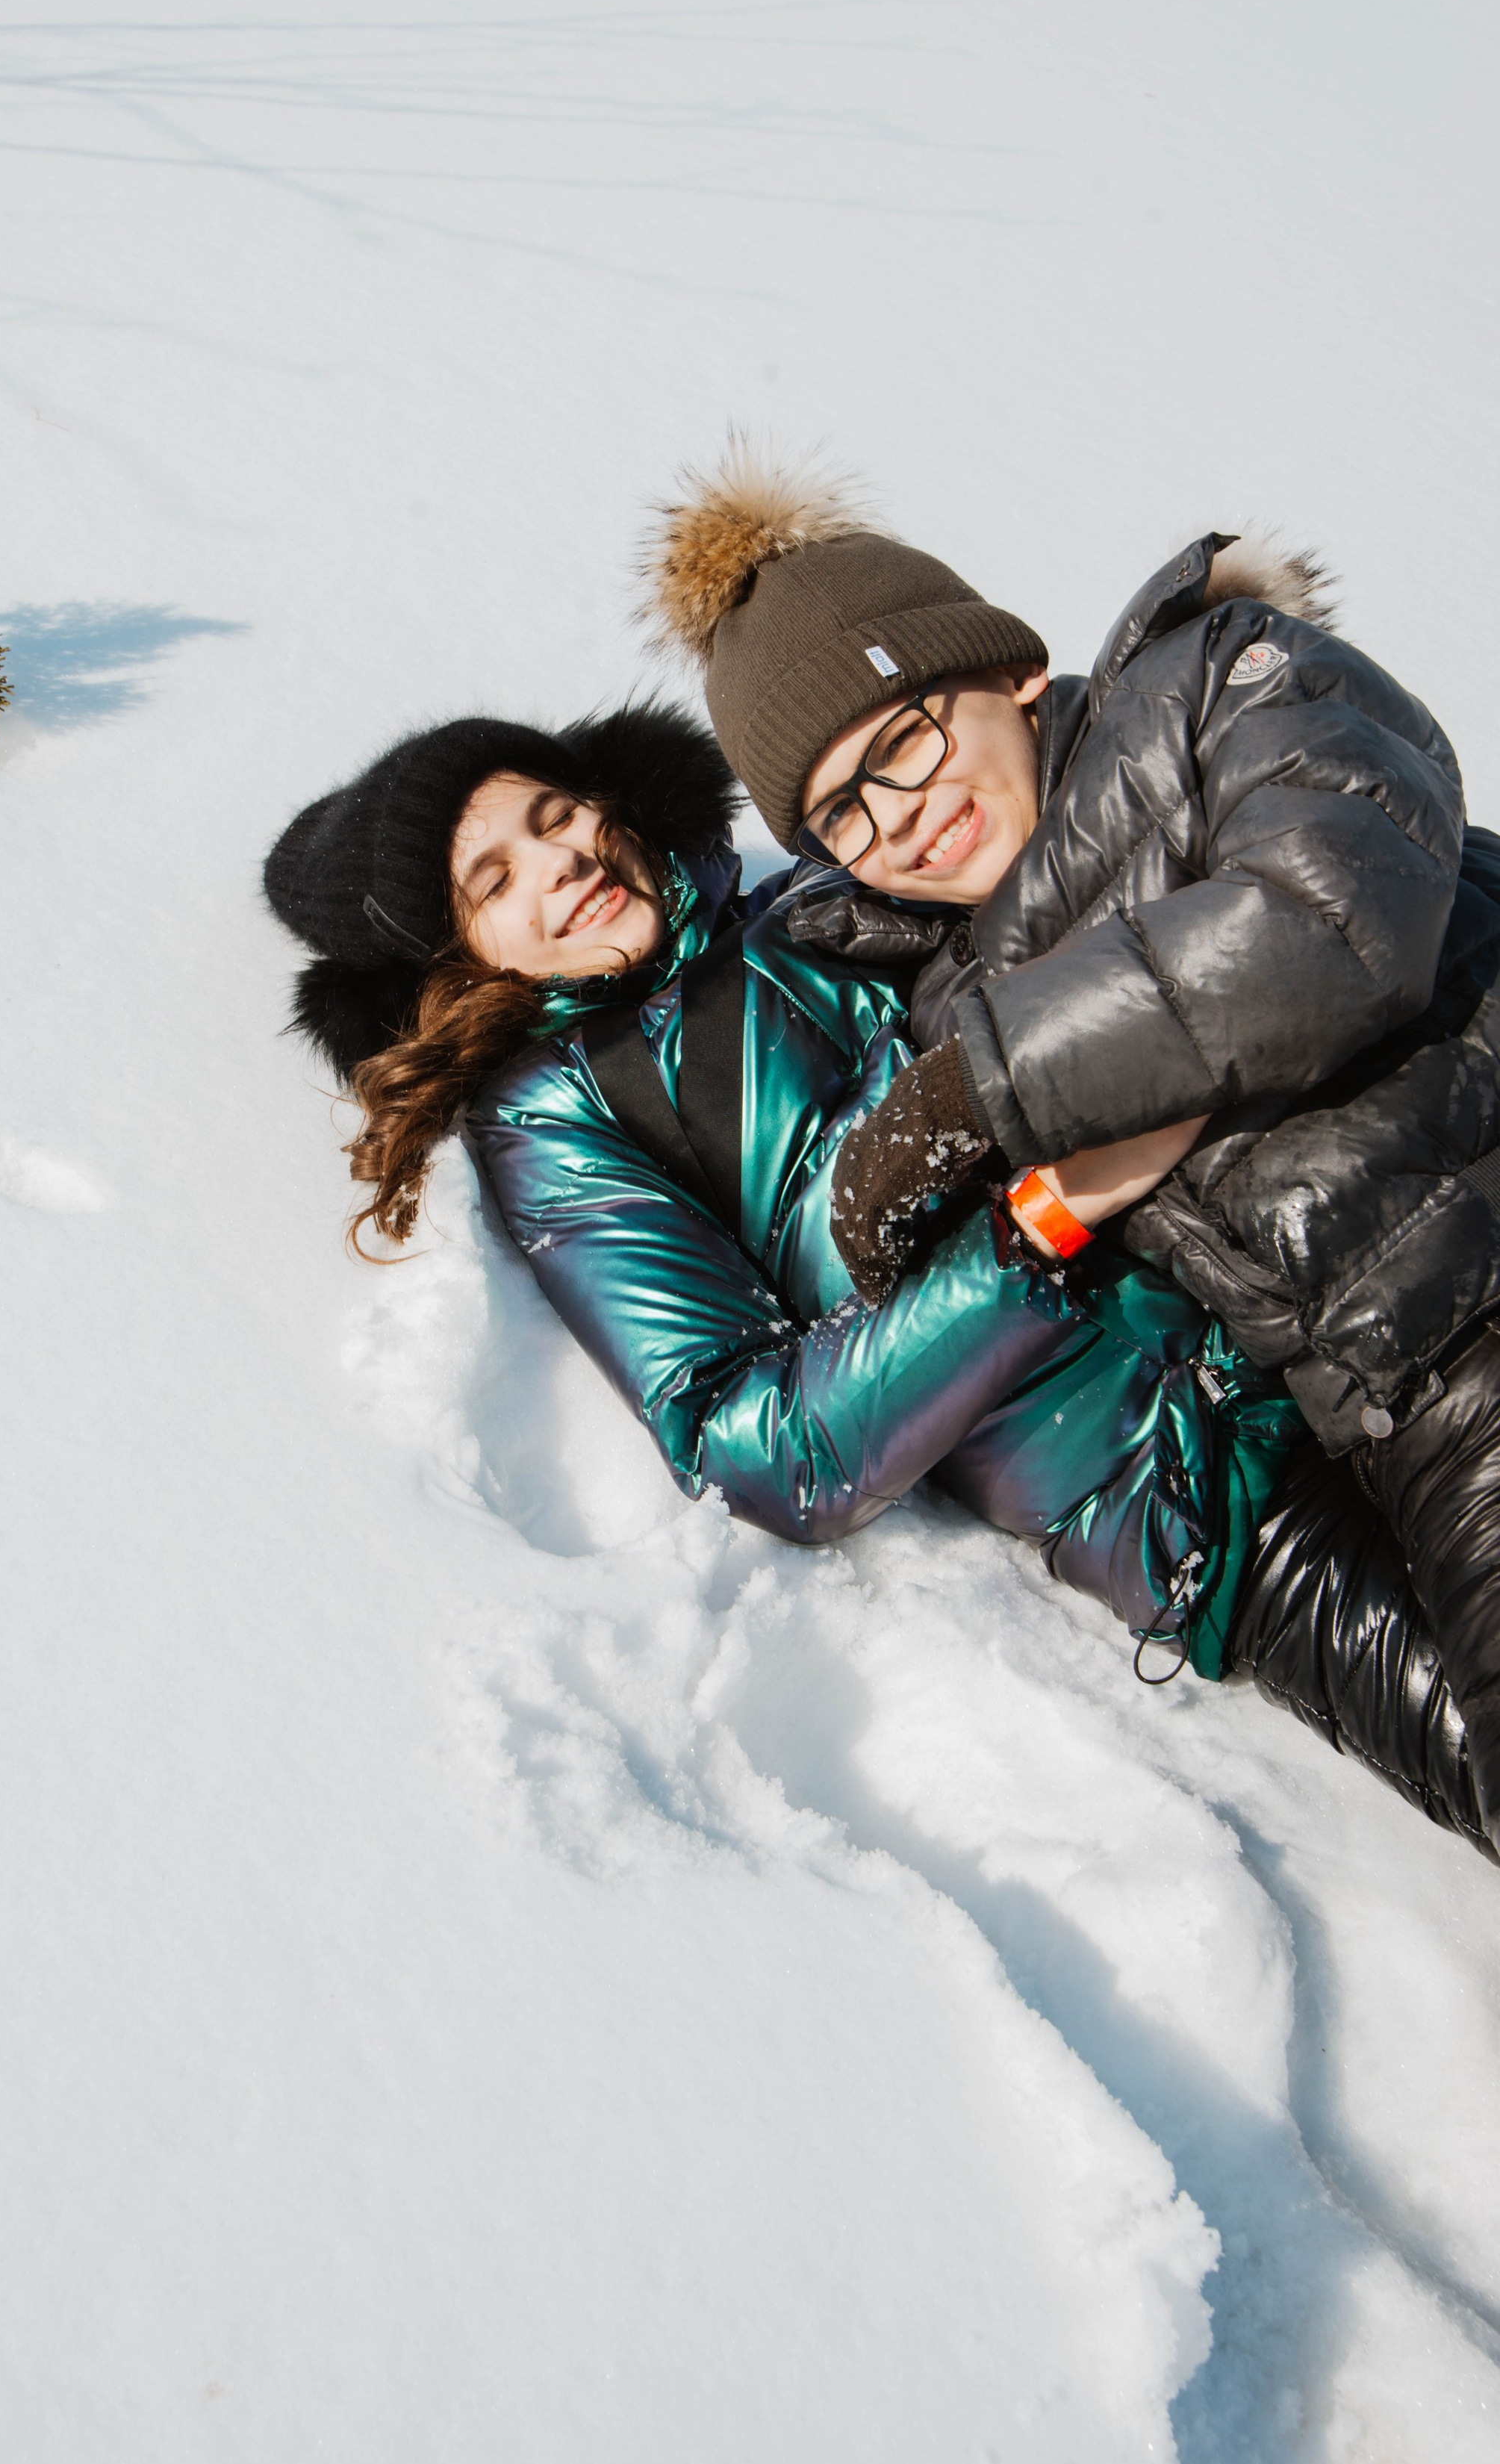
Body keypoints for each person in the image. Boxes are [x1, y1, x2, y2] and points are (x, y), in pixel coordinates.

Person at [264, 701, 1488, 1856]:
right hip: (1209, 1494)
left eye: (552, 817)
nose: (560, 863)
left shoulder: (816, 893)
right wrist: (1036, 1231)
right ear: (457, 954)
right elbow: (757, 1442)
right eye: (496, 880)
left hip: (1337, 1291)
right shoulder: (559, 1107)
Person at [642, 446, 1500, 1841]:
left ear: (1009, 673)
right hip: (1408, 1414)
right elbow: (900, 1257)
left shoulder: (1221, 682)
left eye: (903, 739)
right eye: (844, 813)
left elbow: (1331, 920)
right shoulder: (947, 999)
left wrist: (977, 1097)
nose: (900, 816)